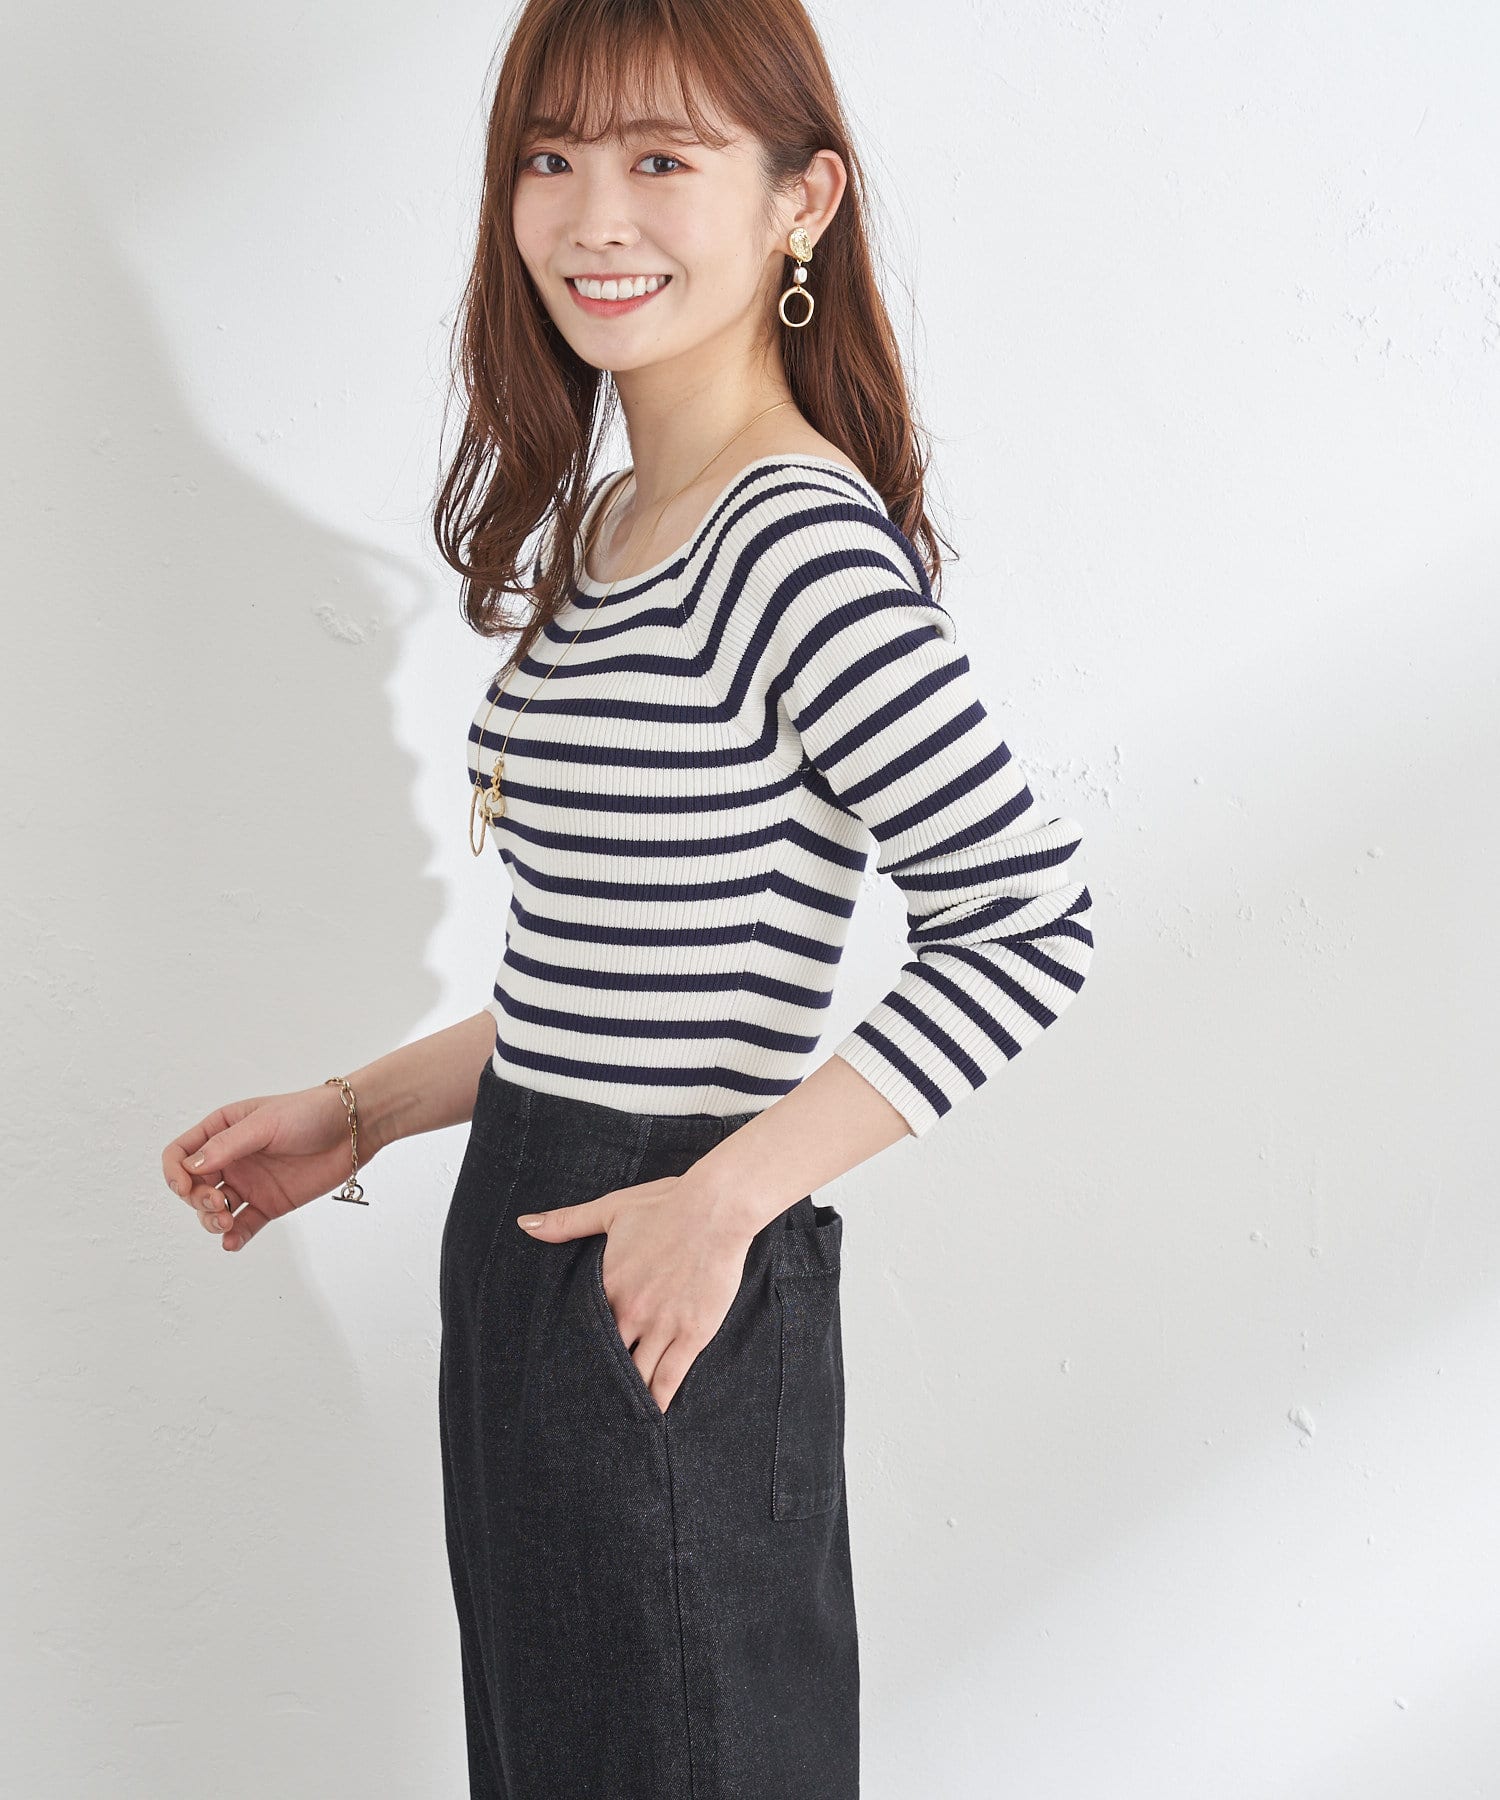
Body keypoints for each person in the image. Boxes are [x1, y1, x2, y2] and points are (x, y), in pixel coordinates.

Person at [161, 2, 1095, 1794]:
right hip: (531, 1243)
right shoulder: (608, 529)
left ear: (801, 200)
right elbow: (617, 974)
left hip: (662, 1264)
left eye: (662, 158)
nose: (595, 217)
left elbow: (1026, 919)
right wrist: (359, 1110)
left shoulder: (790, 542)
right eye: (552, 156)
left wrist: (724, 1198)